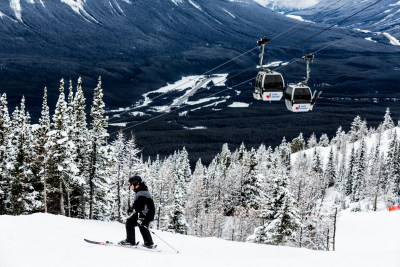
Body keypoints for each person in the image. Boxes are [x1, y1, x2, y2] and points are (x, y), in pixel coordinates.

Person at [119, 175, 155, 248]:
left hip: (144, 214)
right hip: (149, 214)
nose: (130, 186)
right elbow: (140, 204)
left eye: (130, 184)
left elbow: (143, 207)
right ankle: (148, 243)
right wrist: (132, 207)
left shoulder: (141, 193)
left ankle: (130, 241)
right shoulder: (142, 191)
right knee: (143, 226)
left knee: (129, 222)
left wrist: (141, 218)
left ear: (135, 184)